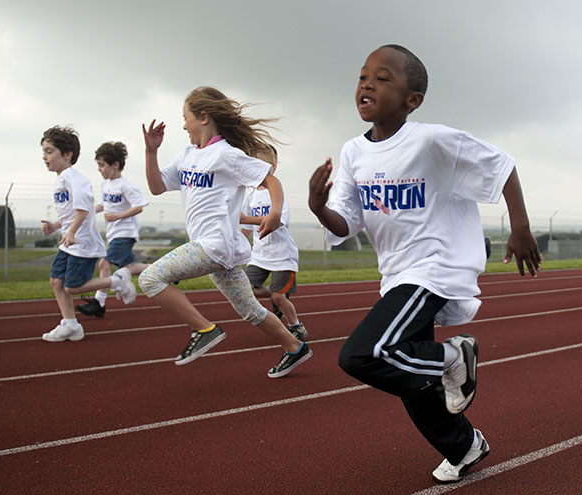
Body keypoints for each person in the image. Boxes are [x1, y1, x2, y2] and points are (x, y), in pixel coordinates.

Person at [308, 45, 541, 483]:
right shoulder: (353, 153)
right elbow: (345, 223)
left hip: (437, 265)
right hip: (397, 273)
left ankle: (455, 356)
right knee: (408, 377)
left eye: (382, 78)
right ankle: (464, 444)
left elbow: (501, 165)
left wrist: (521, 228)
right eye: (362, 76)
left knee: (363, 354)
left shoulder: (432, 140)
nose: (367, 84)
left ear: (412, 99)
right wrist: (318, 207)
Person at [138, 86, 312, 378]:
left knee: (150, 278)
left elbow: (271, 181)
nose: (183, 125)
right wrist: (150, 152)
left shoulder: (227, 156)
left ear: (204, 117)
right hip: (220, 250)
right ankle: (295, 347)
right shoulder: (185, 156)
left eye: (186, 118)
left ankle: (203, 329)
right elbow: (156, 186)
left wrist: (275, 212)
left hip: (215, 245)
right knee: (251, 310)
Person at [40, 126, 137, 342]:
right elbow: (71, 213)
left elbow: (85, 208)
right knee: (56, 281)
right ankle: (70, 325)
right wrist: (55, 226)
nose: (45, 157)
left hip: (82, 243)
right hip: (69, 240)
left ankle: (117, 280)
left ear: (67, 154)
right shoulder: (62, 178)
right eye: (44, 152)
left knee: (72, 286)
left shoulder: (75, 179)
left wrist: (72, 231)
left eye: (49, 152)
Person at [240, 146, 307, 341]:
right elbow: (244, 227)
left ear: (274, 167)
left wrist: (246, 218)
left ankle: (296, 325)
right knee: (245, 289)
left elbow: (276, 221)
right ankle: (277, 292)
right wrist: (238, 247)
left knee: (279, 298)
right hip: (259, 256)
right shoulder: (250, 197)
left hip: (282, 256)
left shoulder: (277, 193)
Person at [75, 141, 149, 318]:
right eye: (98, 165)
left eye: (102, 165)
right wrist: (90, 210)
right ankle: (161, 269)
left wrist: (118, 216)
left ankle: (99, 302)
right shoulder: (106, 184)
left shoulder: (125, 185)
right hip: (113, 233)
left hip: (125, 233)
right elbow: (105, 204)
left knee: (104, 263)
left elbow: (139, 206)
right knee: (129, 266)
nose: (99, 169)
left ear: (115, 164)